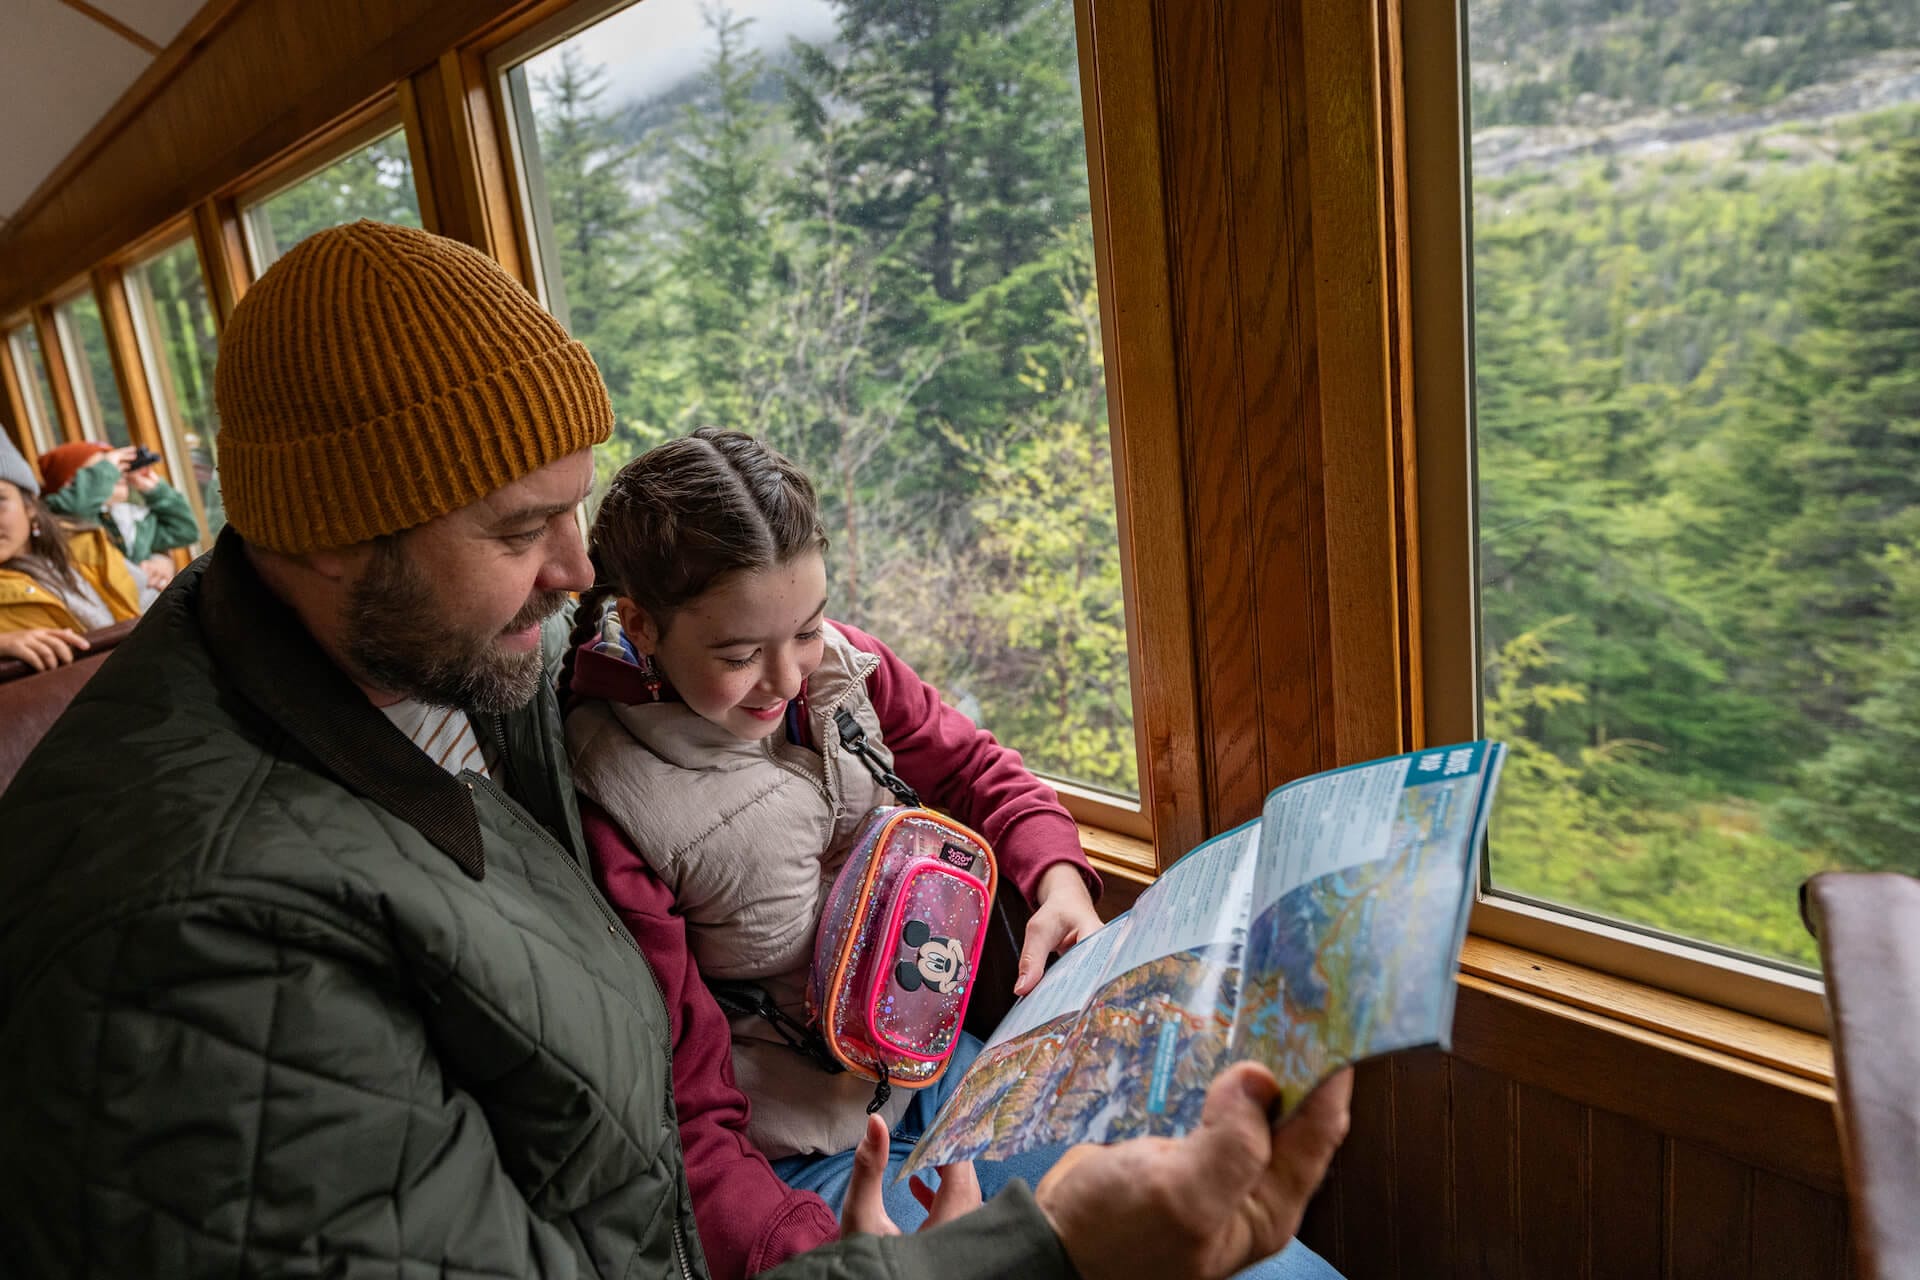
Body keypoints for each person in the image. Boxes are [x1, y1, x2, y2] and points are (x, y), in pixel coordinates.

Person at [0, 221, 1351, 1279]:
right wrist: (1021, 1259)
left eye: (576, 509)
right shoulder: (193, 947)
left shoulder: (450, 665)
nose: (578, 571)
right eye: (519, 529)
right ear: (336, 534)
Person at [0, 432, 146, 671]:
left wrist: (160, 559)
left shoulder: (84, 542)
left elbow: (149, 599)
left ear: (30, 505)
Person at [39, 439, 200, 592]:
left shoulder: (131, 519)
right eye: (104, 469)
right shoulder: (69, 519)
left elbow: (185, 531)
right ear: (72, 485)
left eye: (119, 468)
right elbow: (76, 509)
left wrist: (155, 491)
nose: (118, 474)